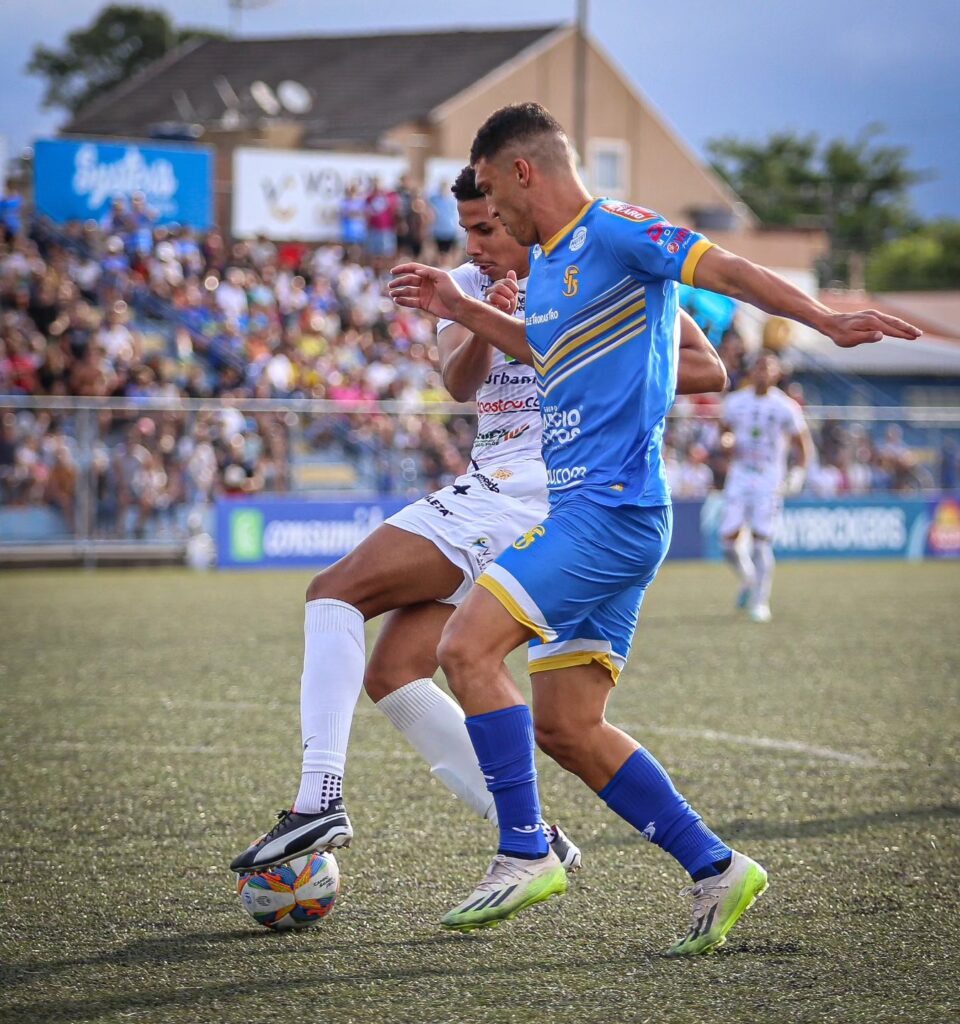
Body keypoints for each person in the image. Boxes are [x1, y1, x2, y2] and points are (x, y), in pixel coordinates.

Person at [388, 102, 920, 953]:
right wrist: (462, 305)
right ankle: (716, 867)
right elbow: (544, 352)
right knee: (566, 726)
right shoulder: (557, 268)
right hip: (593, 514)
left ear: (524, 172)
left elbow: (727, 267)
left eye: (490, 194)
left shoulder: (618, 230)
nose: (491, 219)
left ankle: (525, 848)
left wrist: (824, 320)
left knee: (462, 650)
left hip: (612, 511)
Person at [230, 166, 726, 879]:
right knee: (396, 673)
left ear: (525, 210)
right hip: (491, 483)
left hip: (542, 487)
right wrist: (479, 317)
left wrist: (592, 354)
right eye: (464, 229)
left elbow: (708, 369)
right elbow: (459, 383)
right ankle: (531, 833)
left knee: (333, 592)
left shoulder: (598, 271)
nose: (476, 244)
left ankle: (319, 801)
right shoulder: (459, 285)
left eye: (487, 228)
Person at [718, 351, 813, 623]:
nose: (762, 372)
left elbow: (802, 444)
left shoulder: (785, 407)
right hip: (739, 475)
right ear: (751, 371)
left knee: (761, 542)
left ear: (777, 374)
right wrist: (726, 441)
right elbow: (723, 430)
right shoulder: (735, 402)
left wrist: (797, 474)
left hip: (769, 479)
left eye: (768, 368)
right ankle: (748, 578)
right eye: (758, 367)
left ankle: (761, 602)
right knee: (727, 542)